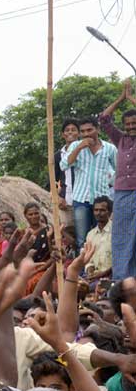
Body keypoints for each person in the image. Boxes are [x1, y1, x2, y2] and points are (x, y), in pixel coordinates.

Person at [99, 78, 136, 280]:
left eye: (134, 123)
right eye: (128, 124)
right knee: (121, 236)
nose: (131, 126)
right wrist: (121, 97)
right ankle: (122, 279)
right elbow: (104, 118)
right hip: (121, 192)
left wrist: (131, 97)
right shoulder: (120, 139)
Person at [61, 117, 117, 247]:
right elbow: (64, 165)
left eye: (89, 130)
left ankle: (102, 266)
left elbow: (118, 170)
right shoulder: (75, 146)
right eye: (83, 131)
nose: (86, 134)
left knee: (104, 237)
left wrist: (112, 185)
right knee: (82, 239)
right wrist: (79, 147)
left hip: (102, 201)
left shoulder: (110, 149)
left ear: (97, 129)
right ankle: (84, 267)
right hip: (81, 200)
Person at [56, 118, 80, 228]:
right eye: (67, 130)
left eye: (73, 130)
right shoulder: (58, 156)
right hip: (66, 201)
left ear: (79, 133)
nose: (70, 132)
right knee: (66, 230)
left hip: (83, 200)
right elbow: (52, 180)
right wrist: (58, 197)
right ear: (63, 134)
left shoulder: (85, 151)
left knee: (83, 232)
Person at [85, 195, 113, 281]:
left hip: (111, 276)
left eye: (102, 210)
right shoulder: (90, 235)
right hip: (94, 277)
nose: (98, 213)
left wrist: (103, 273)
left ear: (109, 212)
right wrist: (90, 272)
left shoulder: (117, 233)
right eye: (96, 210)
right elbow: (89, 261)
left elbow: (121, 261)